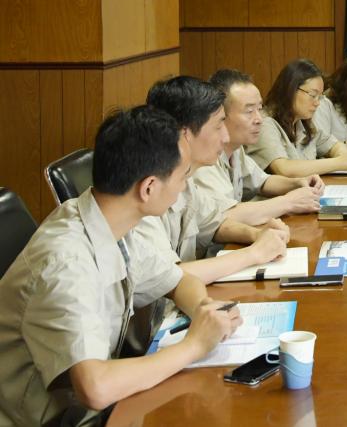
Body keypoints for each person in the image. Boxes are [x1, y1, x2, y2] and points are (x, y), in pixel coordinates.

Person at [0, 107, 241, 425]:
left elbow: (178, 280)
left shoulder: (113, 218)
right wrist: (195, 345)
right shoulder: (64, 263)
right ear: (149, 187)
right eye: (182, 176)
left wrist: (204, 311)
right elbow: (95, 388)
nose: (184, 186)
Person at [137, 76, 289, 285]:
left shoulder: (184, 181)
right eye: (218, 127)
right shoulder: (144, 191)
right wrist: (253, 253)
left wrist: (257, 234)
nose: (225, 137)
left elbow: (214, 223)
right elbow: (170, 277)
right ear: (184, 135)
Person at [193, 69, 325, 226]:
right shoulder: (204, 158)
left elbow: (262, 182)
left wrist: (297, 183)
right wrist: (289, 202)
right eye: (249, 111)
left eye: (260, 109)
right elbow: (224, 215)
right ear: (220, 114)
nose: (259, 119)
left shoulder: (236, 149)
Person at [247, 59, 347, 177]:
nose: (317, 103)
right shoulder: (265, 123)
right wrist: (337, 163)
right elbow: (284, 169)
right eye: (313, 95)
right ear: (291, 90)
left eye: (319, 97)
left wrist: (342, 155)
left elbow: (334, 145)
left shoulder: (303, 123)